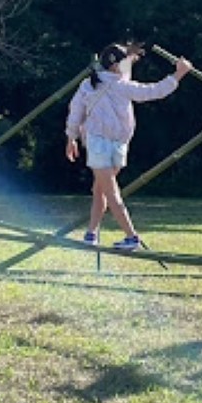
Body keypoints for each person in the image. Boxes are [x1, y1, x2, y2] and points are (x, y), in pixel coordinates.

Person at [65, 41, 191, 250]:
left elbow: (75, 112)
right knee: (110, 191)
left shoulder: (96, 83)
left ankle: (91, 233)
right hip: (104, 144)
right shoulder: (119, 86)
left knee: (101, 190)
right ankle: (131, 236)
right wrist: (178, 75)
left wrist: (71, 137)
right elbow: (154, 91)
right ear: (115, 66)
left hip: (114, 144)